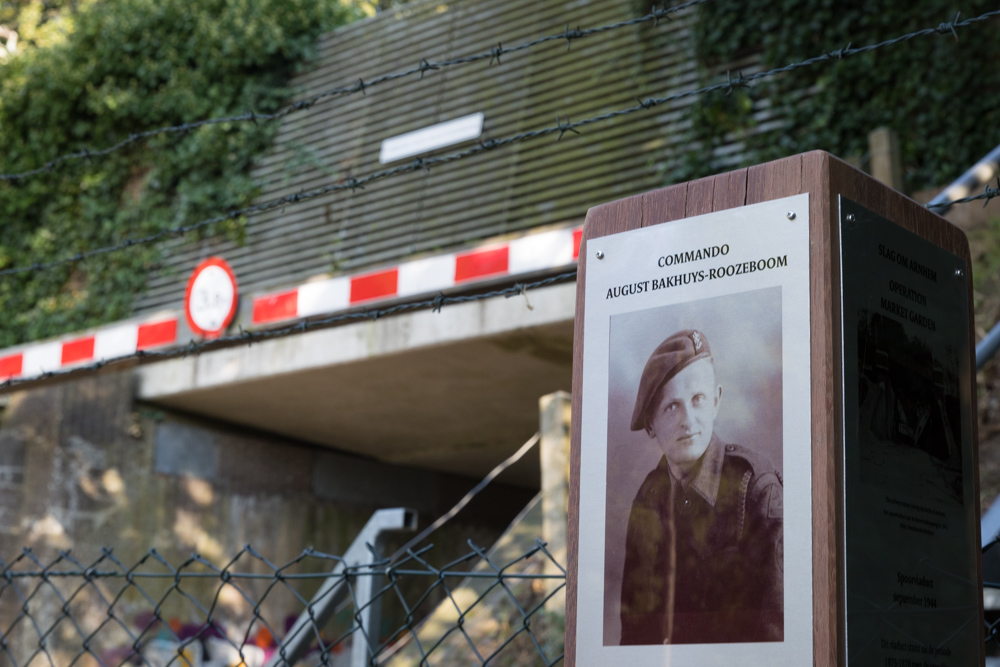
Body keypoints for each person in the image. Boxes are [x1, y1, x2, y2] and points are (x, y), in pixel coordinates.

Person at [619, 329, 783, 645]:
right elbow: (635, 633)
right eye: (672, 407)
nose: (688, 420)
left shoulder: (756, 489)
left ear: (716, 402)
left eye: (698, 400)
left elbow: (776, 634)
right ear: (651, 423)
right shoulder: (649, 498)